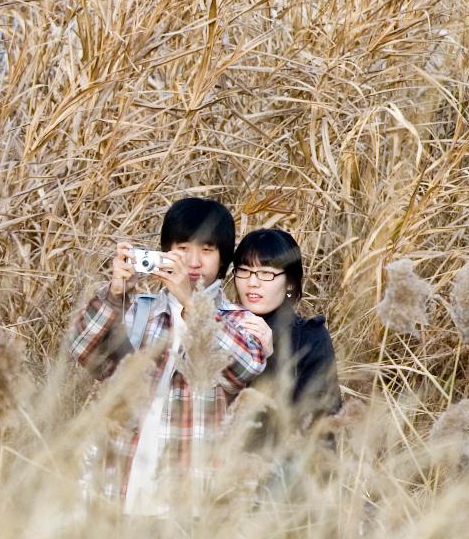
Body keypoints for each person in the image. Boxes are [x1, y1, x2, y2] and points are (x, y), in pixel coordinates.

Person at [68, 197, 270, 515]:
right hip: (118, 487)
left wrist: (192, 304)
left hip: (189, 499)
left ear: (223, 260)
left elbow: (245, 367)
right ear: (164, 251)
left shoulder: (238, 320)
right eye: (183, 248)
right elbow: (83, 349)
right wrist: (116, 292)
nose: (193, 262)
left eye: (206, 251)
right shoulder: (139, 310)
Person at [230, 228, 340, 432]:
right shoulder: (224, 328)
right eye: (244, 271)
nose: (252, 283)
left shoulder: (309, 338)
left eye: (266, 274)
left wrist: (271, 360)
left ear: (289, 282)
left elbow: (321, 425)